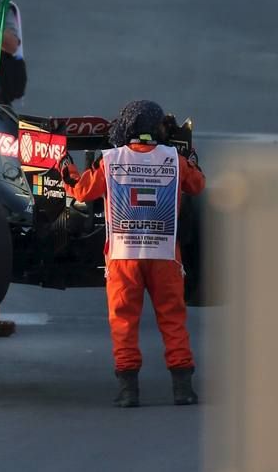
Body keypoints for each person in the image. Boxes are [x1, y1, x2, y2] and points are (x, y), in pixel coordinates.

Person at [60, 99, 205, 408]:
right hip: (165, 253)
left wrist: (65, 168)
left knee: (124, 321)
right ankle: (183, 390)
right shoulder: (174, 159)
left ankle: (128, 392)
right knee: (173, 319)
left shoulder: (111, 160)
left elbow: (82, 191)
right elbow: (198, 185)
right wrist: (192, 158)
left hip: (124, 255)